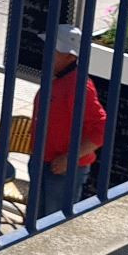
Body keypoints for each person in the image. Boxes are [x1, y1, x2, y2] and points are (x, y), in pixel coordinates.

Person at [34, 24, 106, 212]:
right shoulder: (56, 77)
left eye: (54, 49)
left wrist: (69, 158)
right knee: (36, 220)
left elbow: (101, 129)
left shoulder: (79, 86)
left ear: (70, 57)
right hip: (43, 162)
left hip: (63, 171)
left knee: (54, 222)